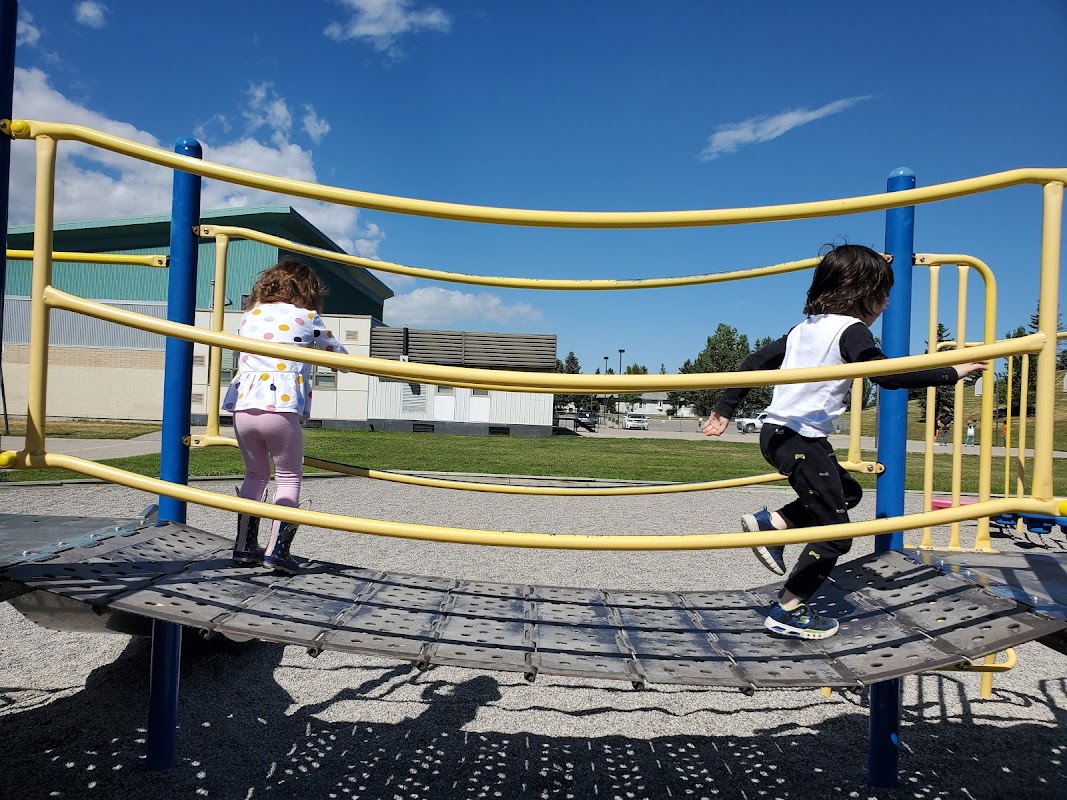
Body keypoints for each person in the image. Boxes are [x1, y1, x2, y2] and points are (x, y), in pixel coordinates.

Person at [701, 244, 987, 640]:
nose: (886, 303)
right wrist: (951, 371)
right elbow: (887, 376)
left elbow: (751, 364)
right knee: (836, 534)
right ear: (860, 291)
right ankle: (788, 610)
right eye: (882, 293)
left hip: (781, 435)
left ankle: (774, 522)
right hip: (801, 439)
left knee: (847, 490)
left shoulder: (803, 330)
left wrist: (725, 409)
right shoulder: (851, 330)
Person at [222, 259, 348, 574]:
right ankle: (278, 551)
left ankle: (244, 546)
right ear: (308, 292)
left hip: (243, 410)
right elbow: (341, 359)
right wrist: (336, 362)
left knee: (255, 475)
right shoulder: (308, 317)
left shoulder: (249, 316)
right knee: (289, 477)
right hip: (280, 408)